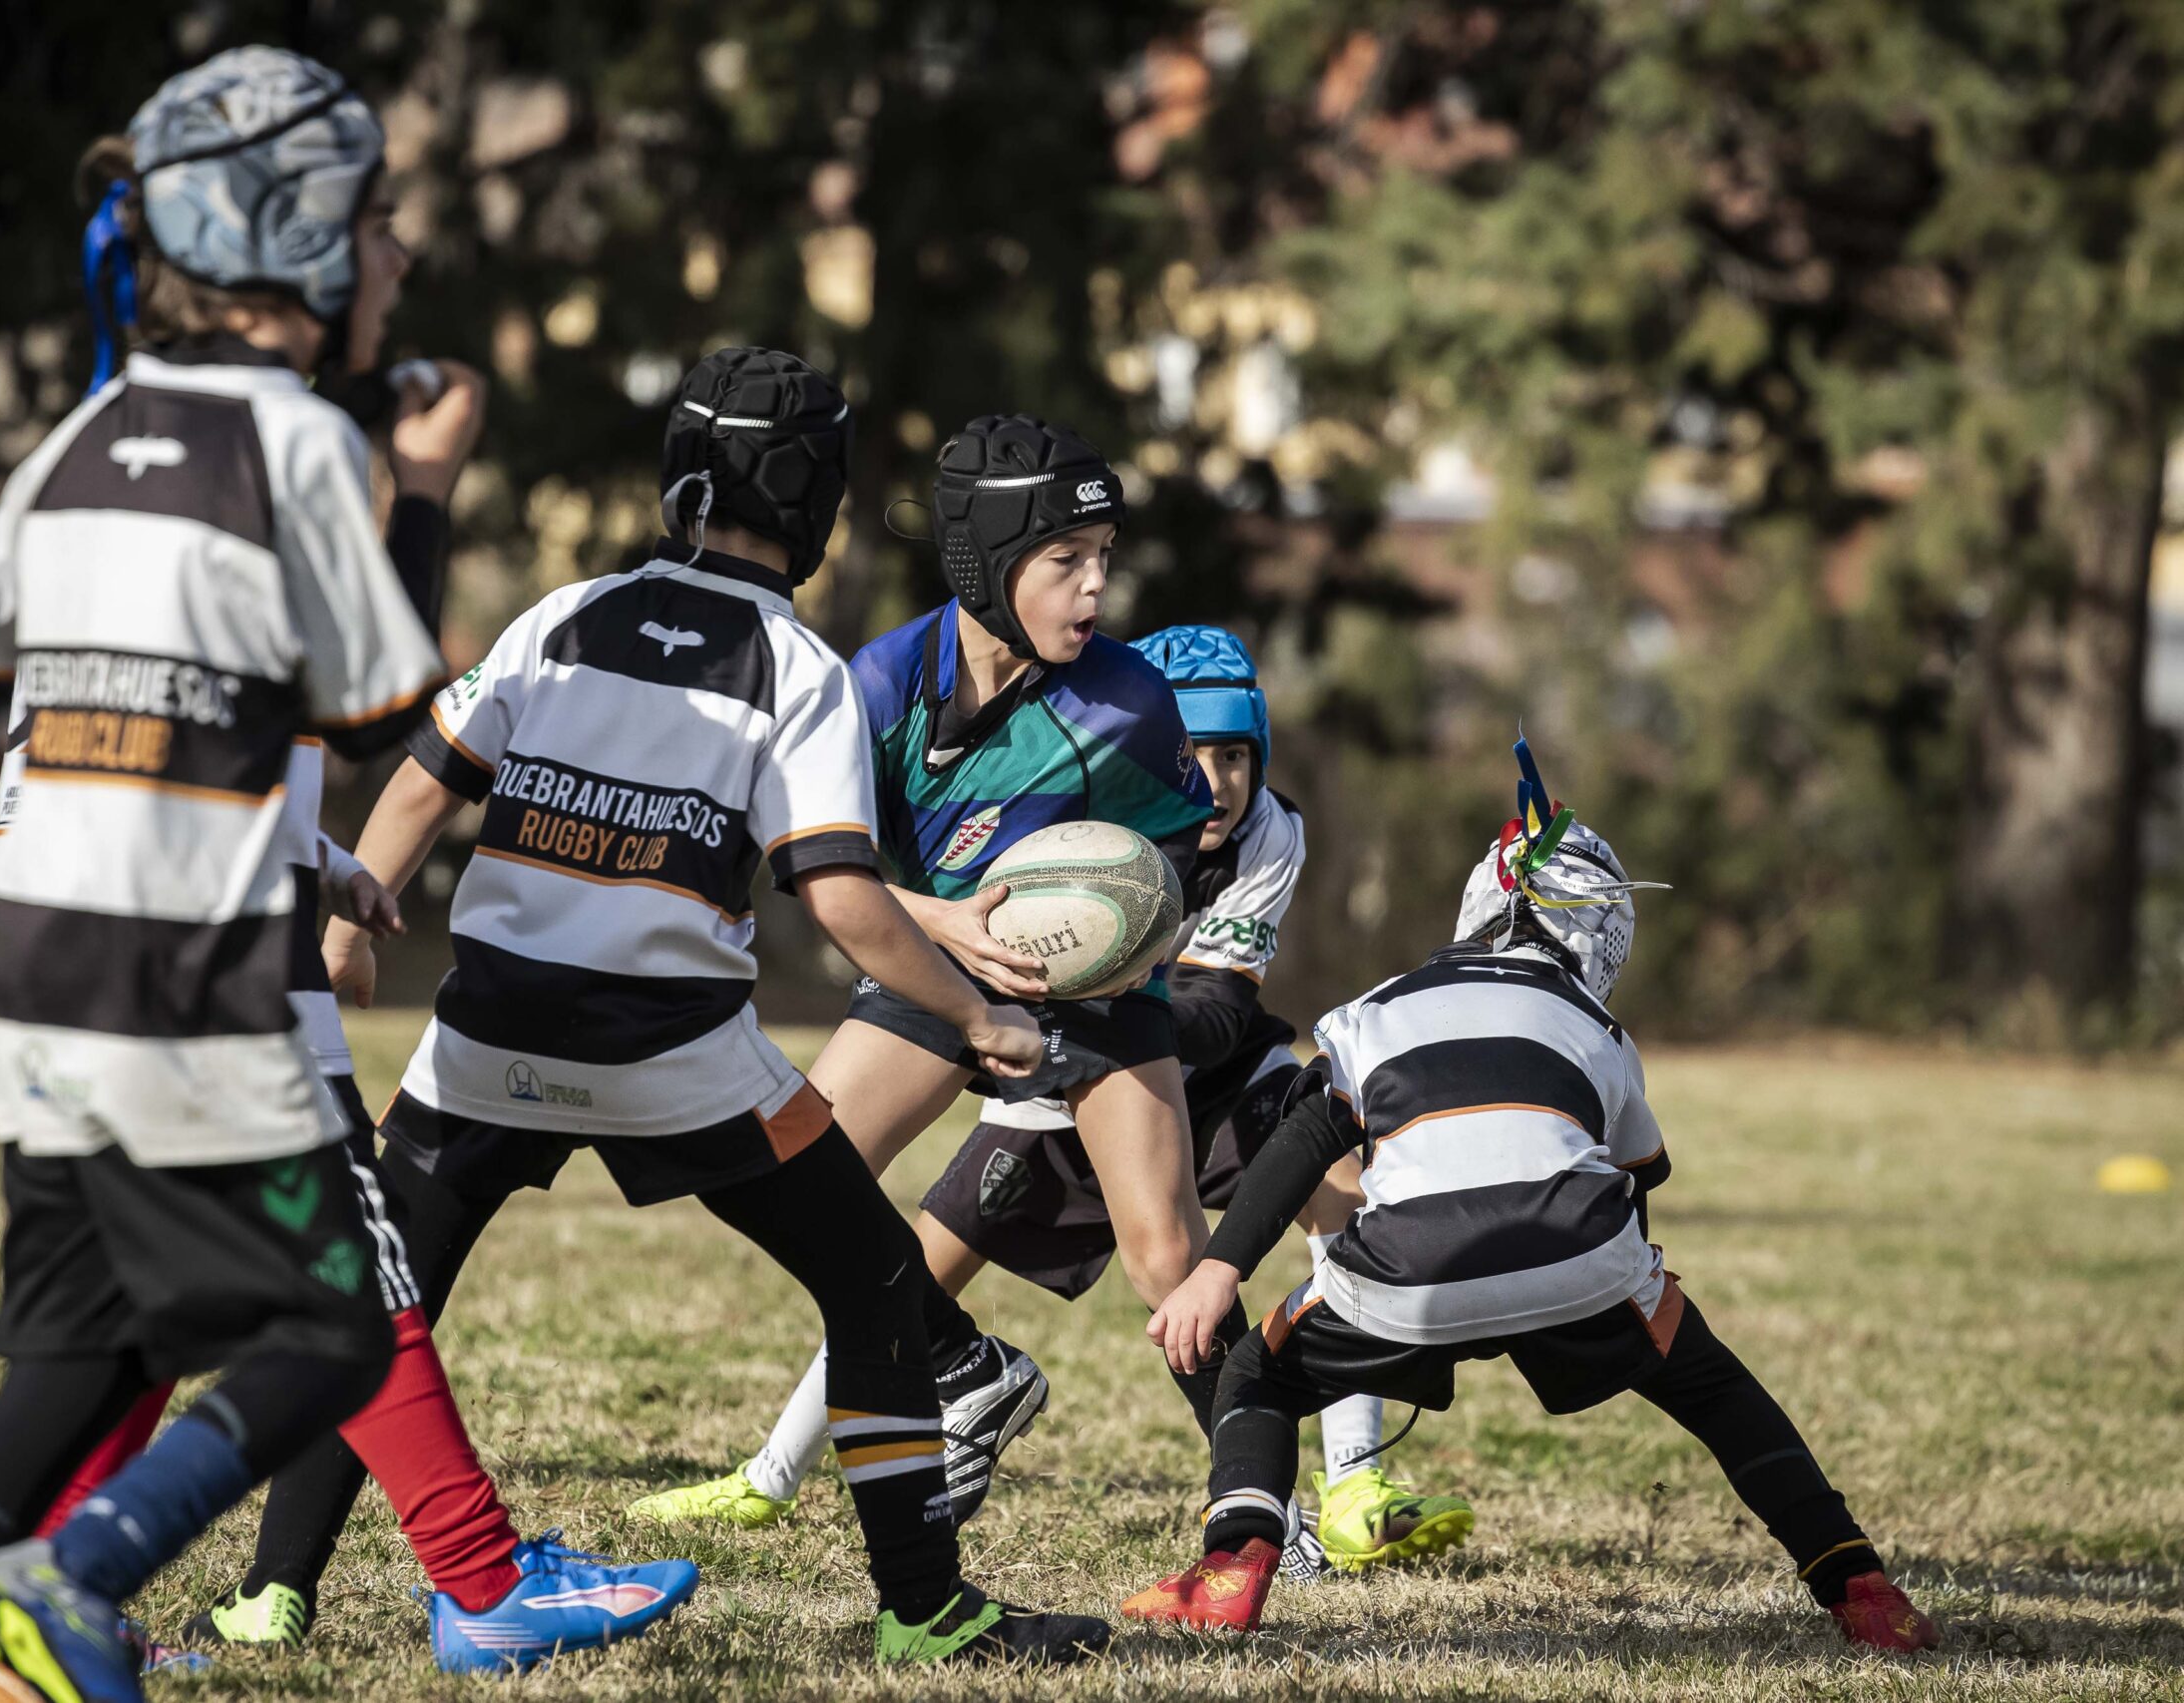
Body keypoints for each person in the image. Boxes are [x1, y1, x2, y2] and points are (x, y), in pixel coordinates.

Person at [0, 49, 682, 1701]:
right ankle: (69, 1585)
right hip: (184, 995)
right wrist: (423, 485)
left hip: (38, 988)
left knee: (73, 1363)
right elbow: (376, 709)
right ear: (298, 241)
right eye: (377, 220)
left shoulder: (83, 435)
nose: (399, 253)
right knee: (327, 1330)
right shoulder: (300, 448)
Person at [237, 345, 1109, 1668]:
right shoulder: (795, 665)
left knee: (372, 1300)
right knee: (879, 1283)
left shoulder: (564, 616)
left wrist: (352, 927)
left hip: (486, 1042)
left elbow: (421, 783)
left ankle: (270, 1596)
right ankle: (926, 1610)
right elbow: (843, 895)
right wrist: (983, 1021)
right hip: (676, 1061)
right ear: (819, 499)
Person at [1119, 740, 1940, 1653]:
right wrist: (1591, 1318)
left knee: (1256, 1374)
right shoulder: (1598, 1026)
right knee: (1718, 1389)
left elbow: (1304, 1138)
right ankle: (1861, 1586)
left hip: (1402, 1272)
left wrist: (1219, 1271)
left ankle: (1231, 1568)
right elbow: (1638, 1177)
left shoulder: (1376, 1009)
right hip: (1585, 1258)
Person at [632, 415, 1229, 1534]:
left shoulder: (1130, 704)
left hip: (1101, 1000)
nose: (1096, 587)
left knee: (1167, 1258)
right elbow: (809, 863)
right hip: (934, 970)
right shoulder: (878, 683)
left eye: (1105, 558)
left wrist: (1131, 944)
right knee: (786, 1175)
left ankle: (1261, 1502)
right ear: (985, 564)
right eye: (1066, 560)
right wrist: (945, 924)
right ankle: (968, 1372)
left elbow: (1186, 856)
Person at [911, 624, 1473, 1575]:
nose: (1214, 782)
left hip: (1208, 1073)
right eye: (1190, 754)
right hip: (1058, 1083)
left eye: (1234, 756)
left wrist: (1121, 1001)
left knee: (1337, 1192)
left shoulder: (1271, 831)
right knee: (906, 1277)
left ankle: (1347, 1487)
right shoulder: (1077, 813)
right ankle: (771, 1471)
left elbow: (1215, 1014)